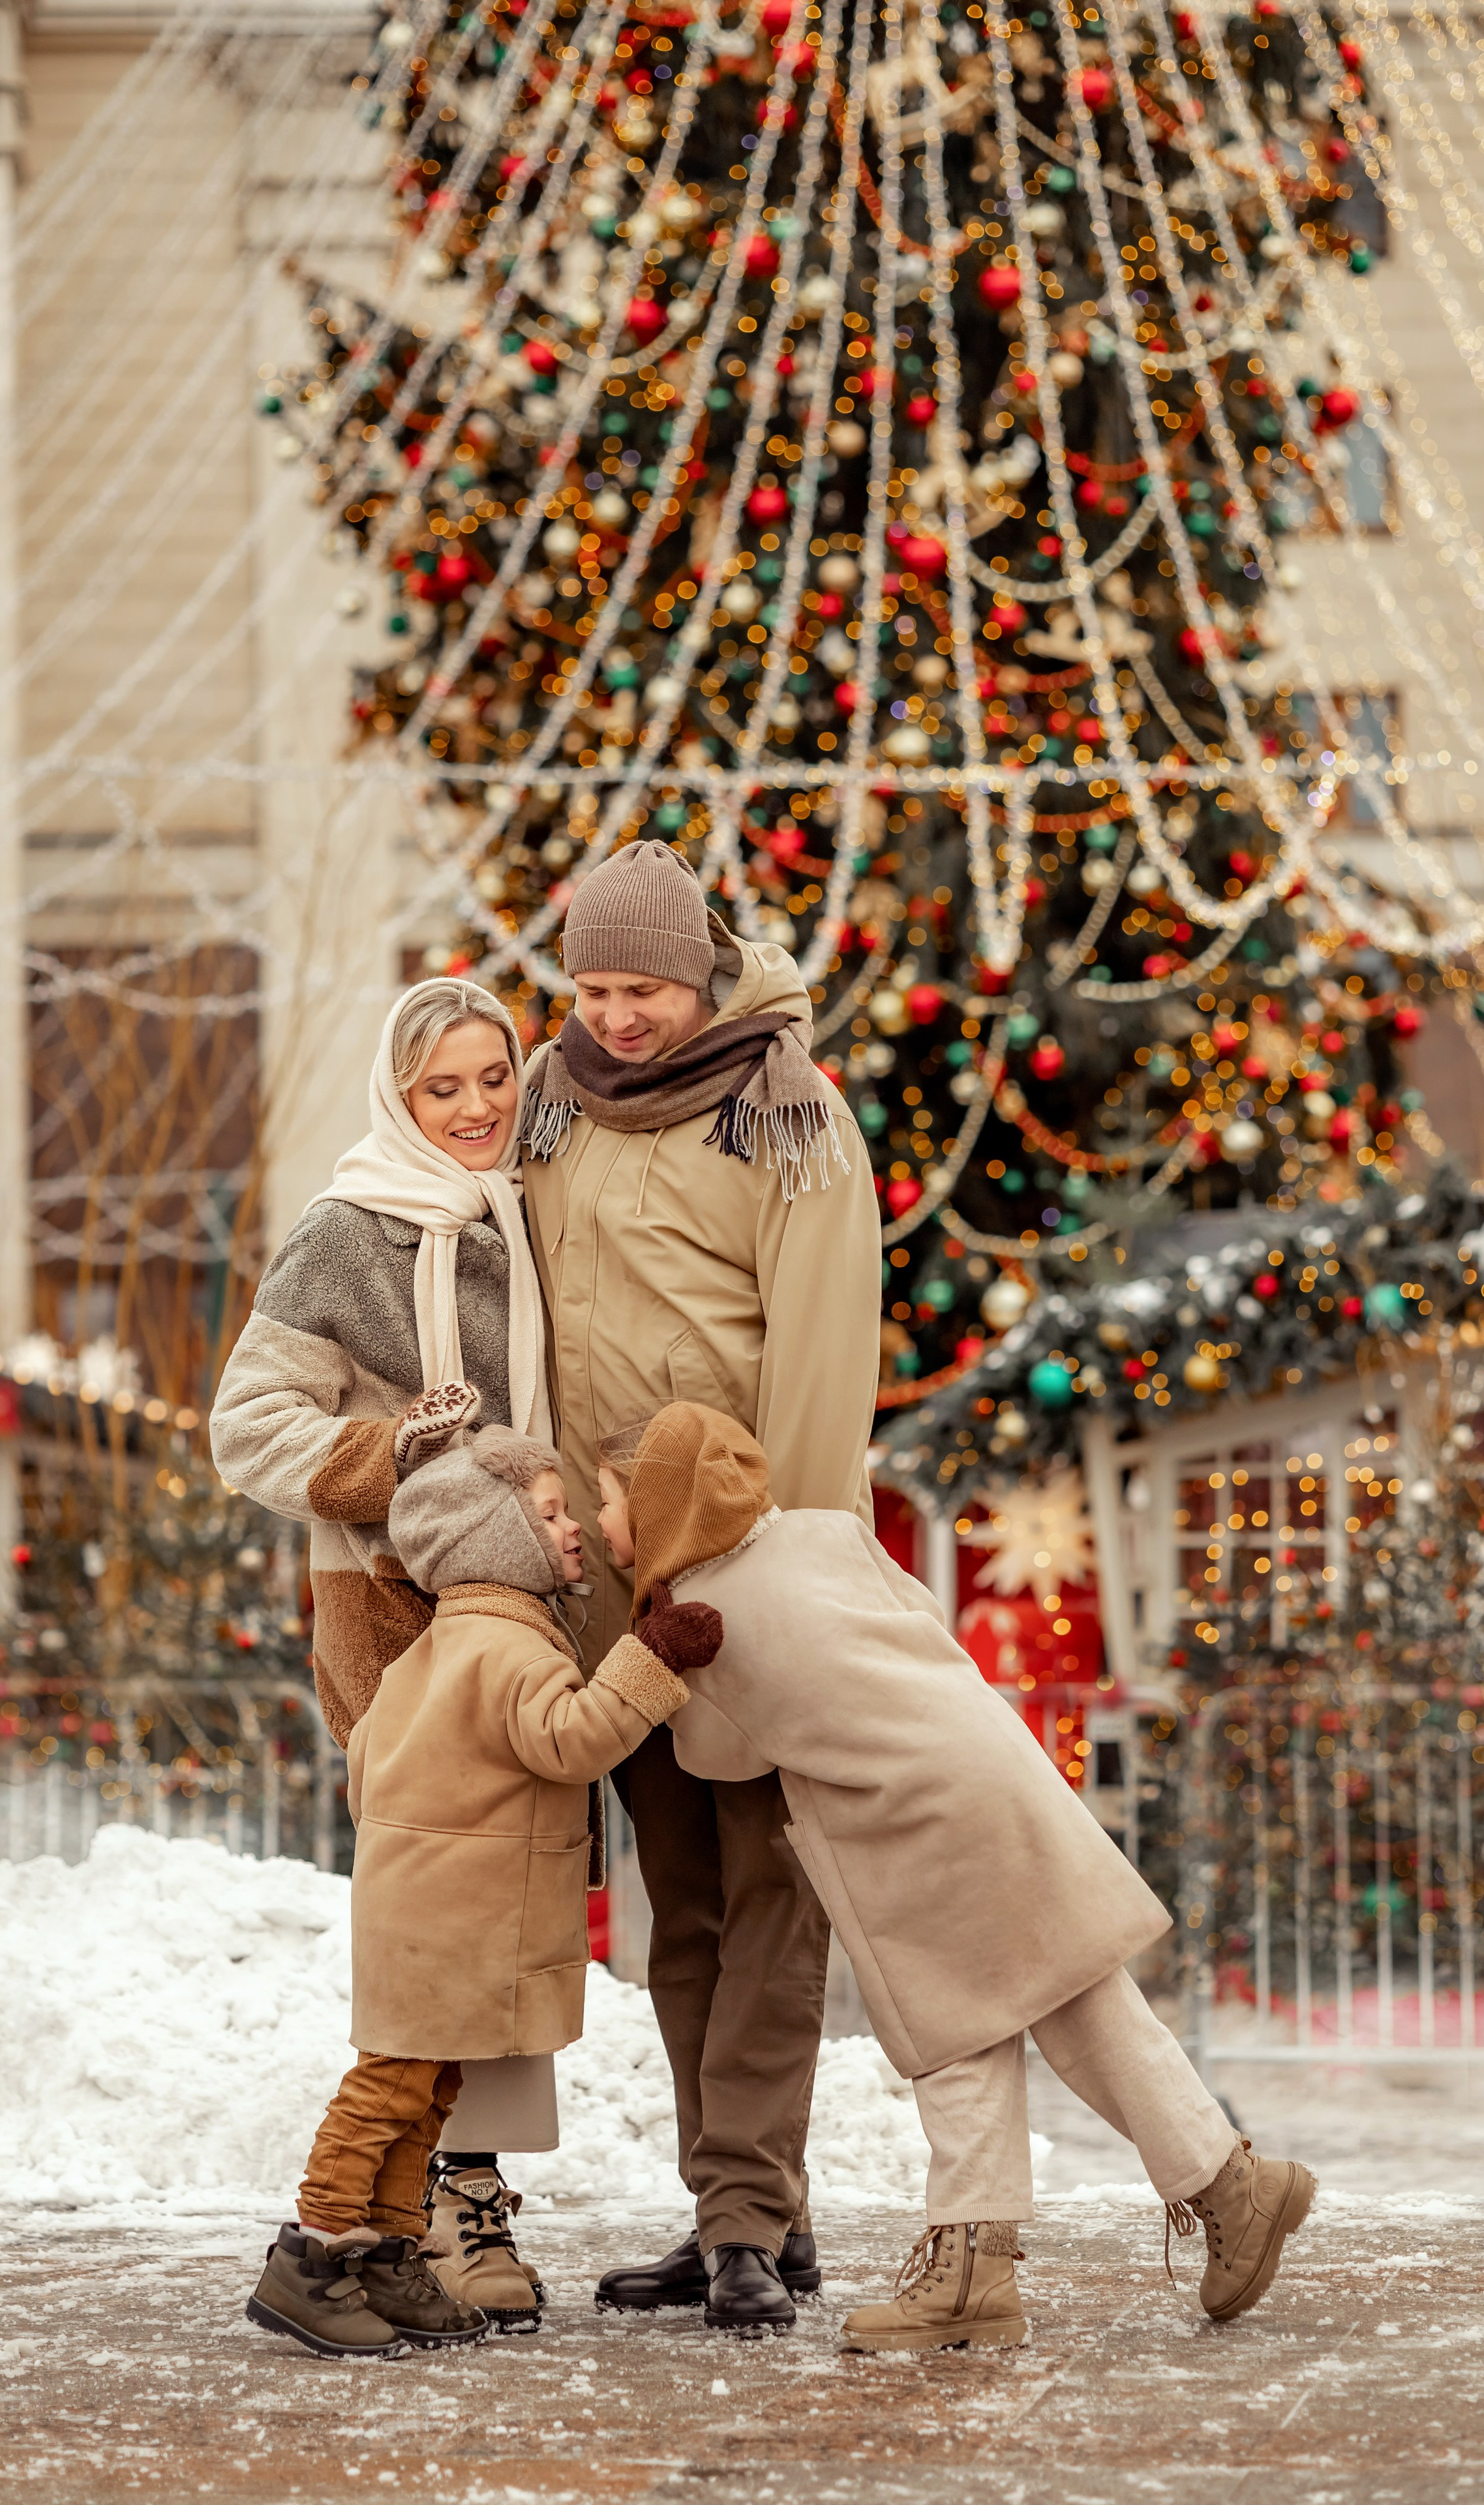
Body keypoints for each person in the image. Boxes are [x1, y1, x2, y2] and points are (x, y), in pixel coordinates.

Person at [593, 1403, 1317, 2354]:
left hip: (913, 1831)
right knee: (1075, 1997)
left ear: (656, 1503)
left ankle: (975, 2270)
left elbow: (721, 1764)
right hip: (993, 1769)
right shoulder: (829, 1532)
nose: (603, 1526)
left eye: (608, 1502)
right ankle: (1229, 2186)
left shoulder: (701, 1623)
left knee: (954, 2029)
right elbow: (916, 1614)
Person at [519, 839, 883, 2333]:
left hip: (738, 1569)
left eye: (646, 987)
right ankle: (741, 2212)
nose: (617, 1015)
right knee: (677, 1908)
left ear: (703, 970)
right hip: (612, 1585)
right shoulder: (551, 1103)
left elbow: (818, 1353)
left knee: (766, 1897)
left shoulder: (785, 1112)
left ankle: (742, 2214)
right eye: (594, 986)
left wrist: (774, 1563)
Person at [213, 977, 566, 2303]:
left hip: (520, 1614)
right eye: (443, 1087)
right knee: (437, 1923)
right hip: (391, 1618)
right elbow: (247, 1427)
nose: (475, 1107)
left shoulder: (531, 1224)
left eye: (493, 1077)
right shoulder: (344, 1233)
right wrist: (392, 1456)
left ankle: (466, 2198)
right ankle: (400, 2211)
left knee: (511, 1911)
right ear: (398, 1098)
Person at [246, 1416, 722, 2356]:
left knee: (427, 2086)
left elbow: (372, 1764)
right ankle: (312, 2250)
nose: (574, 1527)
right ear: (494, 1540)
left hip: (428, 1909)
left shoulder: (438, 1649)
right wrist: (652, 1657)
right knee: (389, 2087)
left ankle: (386, 2248)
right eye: (548, 1516)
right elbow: (572, 1739)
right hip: (452, 1915)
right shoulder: (507, 1648)